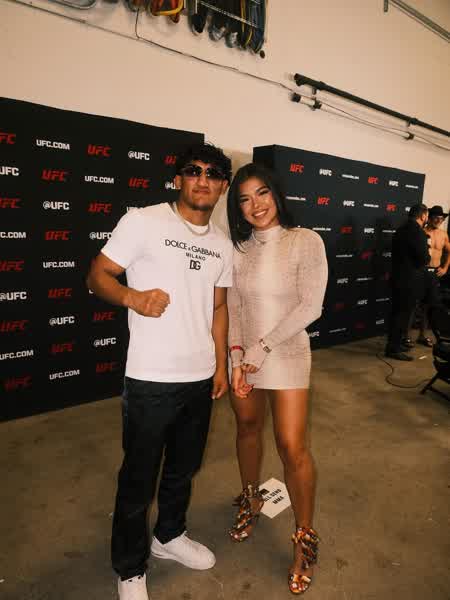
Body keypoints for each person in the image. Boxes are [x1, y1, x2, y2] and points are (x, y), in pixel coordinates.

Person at [86, 143, 233, 600]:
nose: (203, 179)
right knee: (138, 479)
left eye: (213, 173)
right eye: (193, 170)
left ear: (223, 186)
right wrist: (133, 298)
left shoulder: (222, 244)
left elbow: (219, 307)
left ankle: (169, 535)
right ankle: (130, 567)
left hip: (199, 378)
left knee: (183, 470)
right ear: (178, 179)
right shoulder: (143, 222)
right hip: (151, 378)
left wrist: (220, 363)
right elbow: (97, 275)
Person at [226, 163, 328, 595]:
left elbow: (311, 306)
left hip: (284, 354)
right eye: (244, 199)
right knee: (247, 427)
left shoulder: (305, 240)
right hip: (245, 357)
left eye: (262, 193)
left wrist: (262, 347)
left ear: (277, 194)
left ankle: (305, 539)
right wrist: (236, 356)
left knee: (291, 445)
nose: (255, 205)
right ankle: (250, 499)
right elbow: (233, 307)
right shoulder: (238, 249)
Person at [385, 203, 430, 361]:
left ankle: (396, 344)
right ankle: (394, 349)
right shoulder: (417, 232)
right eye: (427, 215)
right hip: (408, 281)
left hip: (398, 278)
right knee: (402, 315)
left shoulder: (401, 229)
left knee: (398, 314)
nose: (427, 218)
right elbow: (424, 258)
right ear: (423, 216)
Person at [415, 205, 450, 346]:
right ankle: (405, 336)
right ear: (429, 218)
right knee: (413, 304)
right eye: (436, 217)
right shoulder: (421, 232)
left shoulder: (443, 234)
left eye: (441, 218)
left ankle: (422, 336)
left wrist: (445, 268)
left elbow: (448, 252)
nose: (439, 220)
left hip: (435, 273)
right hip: (421, 272)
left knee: (427, 306)